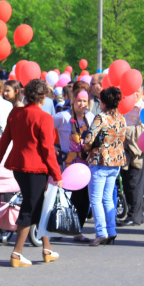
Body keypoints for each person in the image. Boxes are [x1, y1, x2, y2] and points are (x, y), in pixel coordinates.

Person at [0, 79, 64, 265]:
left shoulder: (16, 113)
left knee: (38, 205)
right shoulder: (44, 117)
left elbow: (4, 142)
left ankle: (47, 248)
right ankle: (17, 253)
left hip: (18, 166)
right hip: (36, 168)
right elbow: (47, 149)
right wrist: (57, 174)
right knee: (29, 207)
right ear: (43, 97)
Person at [83, 86, 126, 246]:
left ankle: (101, 232)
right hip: (116, 161)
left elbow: (89, 139)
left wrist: (86, 147)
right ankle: (111, 230)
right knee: (108, 198)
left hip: (100, 160)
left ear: (103, 101)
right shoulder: (121, 118)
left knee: (95, 199)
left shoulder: (100, 117)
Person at [54, 89, 94, 242]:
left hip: (86, 166)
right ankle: (58, 228)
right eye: (79, 100)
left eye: (84, 101)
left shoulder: (90, 117)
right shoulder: (63, 117)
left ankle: (78, 231)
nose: (82, 104)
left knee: (84, 199)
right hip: (68, 165)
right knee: (65, 199)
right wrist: (54, 146)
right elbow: (44, 127)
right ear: (72, 100)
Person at [118, 87, 144, 227]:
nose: (134, 94)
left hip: (137, 152)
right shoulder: (124, 106)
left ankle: (134, 215)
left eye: (137, 92)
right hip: (124, 150)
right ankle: (136, 214)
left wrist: (124, 131)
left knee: (135, 182)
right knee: (127, 182)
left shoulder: (143, 109)